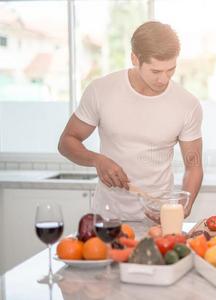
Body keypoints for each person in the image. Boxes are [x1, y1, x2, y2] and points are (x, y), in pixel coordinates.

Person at [58, 21, 203, 220]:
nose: (164, 79)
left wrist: (183, 207)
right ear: (135, 58)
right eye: (155, 71)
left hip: (158, 219)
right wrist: (97, 160)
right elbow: (66, 142)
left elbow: (193, 165)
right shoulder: (101, 90)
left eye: (171, 69)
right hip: (107, 219)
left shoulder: (187, 104)